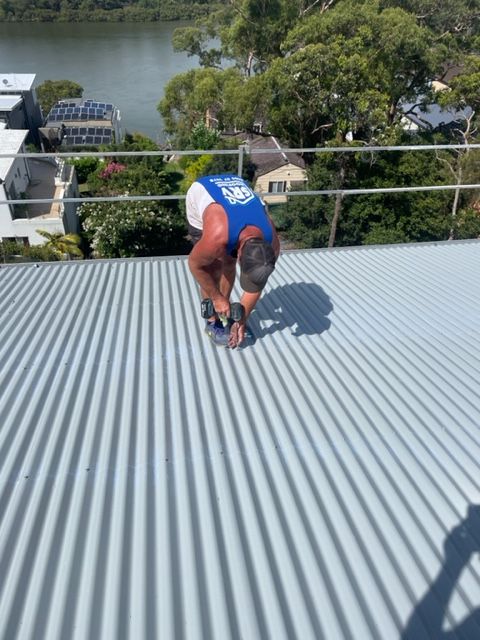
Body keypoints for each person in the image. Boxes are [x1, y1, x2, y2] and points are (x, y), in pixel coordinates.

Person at [186, 173, 280, 348]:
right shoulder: (217, 236)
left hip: (234, 201)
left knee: (228, 263)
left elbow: (256, 285)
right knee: (213, 268)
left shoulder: (272, 243)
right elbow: (195, 265)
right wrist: (216, 297)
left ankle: (224, 314)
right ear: (240, 254)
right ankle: (212, 321)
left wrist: (241, 320)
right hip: (204, 192)